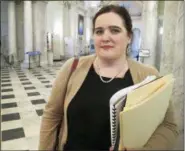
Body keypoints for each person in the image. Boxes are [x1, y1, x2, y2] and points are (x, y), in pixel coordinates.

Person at [38, 5, 179, 151]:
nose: (105, 37)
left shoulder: (148, 75)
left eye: (115, 30)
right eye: (99, 31)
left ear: (129, 37)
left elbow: (168, 125)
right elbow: (52, 116)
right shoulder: (72, 67)